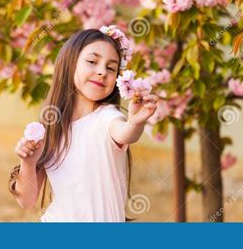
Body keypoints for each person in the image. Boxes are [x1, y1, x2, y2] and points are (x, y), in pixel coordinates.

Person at [9, 26, 158, 222]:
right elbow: (27, 201)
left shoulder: (107, 117)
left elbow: (126, 132)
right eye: (92, 61)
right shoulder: (52, 128)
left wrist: (135, 123)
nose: (102, 72)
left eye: (111, 68)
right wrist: (28, 162)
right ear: (70, 63)